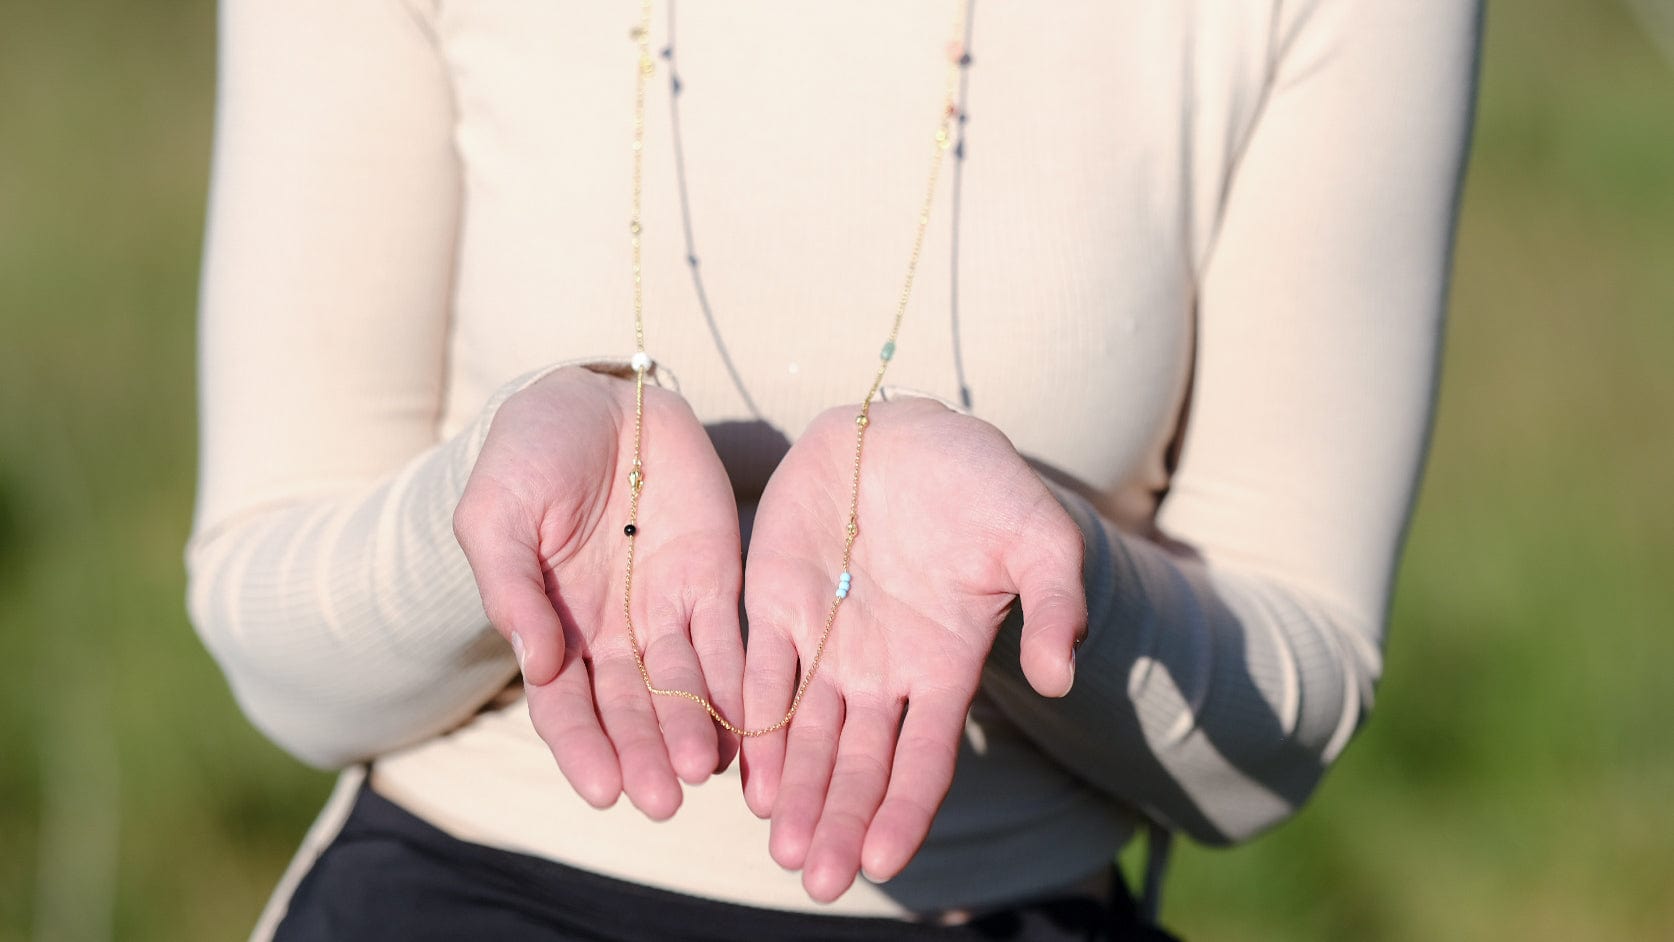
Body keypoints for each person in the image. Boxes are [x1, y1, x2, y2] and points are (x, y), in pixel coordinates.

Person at [185, 0, 1482, 939]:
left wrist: (1058, 580)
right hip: (456, 899)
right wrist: (477, 534)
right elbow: (275, 646)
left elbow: (1280, 721)